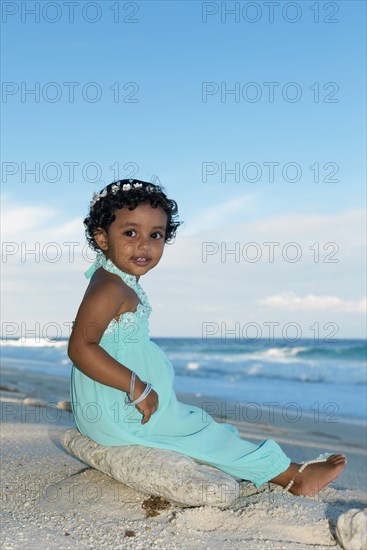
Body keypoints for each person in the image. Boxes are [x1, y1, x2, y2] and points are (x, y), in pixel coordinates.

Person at [68, 179, 347, 497]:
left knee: (196, 423)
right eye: (130, 233)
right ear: (102, 237)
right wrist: (137, 386)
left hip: (122, 400)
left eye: (155, 235)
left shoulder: (115, 280)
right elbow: (80, 347)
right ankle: (293, 477)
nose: (144, 245)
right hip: (120, 407)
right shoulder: (109, 287)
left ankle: (276, 468)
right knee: (199, 431)